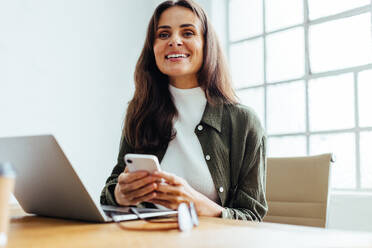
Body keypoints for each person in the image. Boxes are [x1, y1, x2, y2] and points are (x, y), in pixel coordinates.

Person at [100, 0, 267, 221]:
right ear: (153, 47)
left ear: (207, 44)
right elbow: (109, 192)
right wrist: (120, 195)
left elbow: (252, 217)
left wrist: (198, 204)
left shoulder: (244, 122)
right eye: (163, 35)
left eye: (188, 33)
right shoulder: (140, 112)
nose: (175, 41)